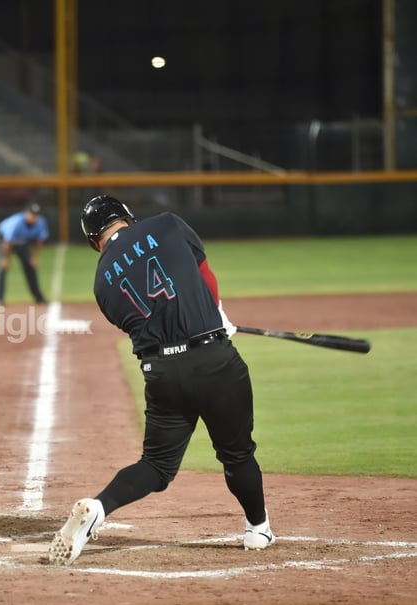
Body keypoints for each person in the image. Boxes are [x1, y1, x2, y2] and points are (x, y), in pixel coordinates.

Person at [48, 195, 274, 566]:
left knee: (155, 465)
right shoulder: (168, 224)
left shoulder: (101, 284)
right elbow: (205, 278)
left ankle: (100, 508)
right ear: (127, 218)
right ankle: (257, 528)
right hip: (215, 360)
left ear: (94, 241)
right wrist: (219, 318)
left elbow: (145, 326)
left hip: (163, 374)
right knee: (237, 455)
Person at [0, 202, 49, 306]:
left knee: (30, 266)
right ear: (26, 213)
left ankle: (39, 298)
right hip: (4, 240)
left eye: (36, 215)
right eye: (32, 214)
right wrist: (5, 258)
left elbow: (39, 241)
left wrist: (33, 257)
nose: (34, 217)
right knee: (3, 267)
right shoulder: (16, 223)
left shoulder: (41, 223)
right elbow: (7, 242)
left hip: (22, 242)